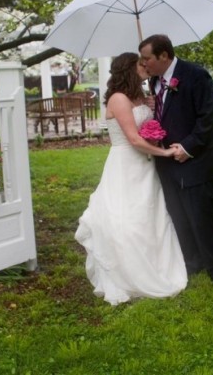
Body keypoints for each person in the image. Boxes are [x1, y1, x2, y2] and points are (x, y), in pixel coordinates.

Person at [75, 52, 187, 306]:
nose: (146, 65)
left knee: (151, 215)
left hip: (145, 166)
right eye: (140, 63)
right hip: (126, 163)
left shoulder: (140, 96)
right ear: (128, 69)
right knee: (127, 218)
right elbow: (134, 139)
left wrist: (153, 125)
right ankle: (128, 272)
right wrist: (165, 151)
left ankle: (157, 264)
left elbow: (145, 131)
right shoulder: (118, 99)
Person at [138, 34, 213, 289]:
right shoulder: (155, 81)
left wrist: (188, 147)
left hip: (197, 160)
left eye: (147, 58)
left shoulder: (196, 75)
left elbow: (209, 117)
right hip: (166, 161)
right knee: (178, 214)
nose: (144, 64)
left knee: (202, 216)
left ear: (164, 55)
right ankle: (192, 262)